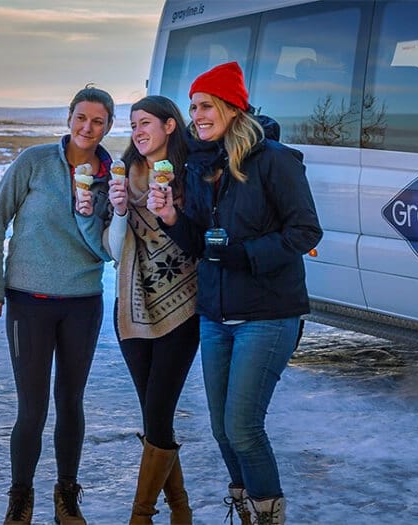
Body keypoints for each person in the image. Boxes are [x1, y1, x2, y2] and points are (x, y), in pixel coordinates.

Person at [146, 62, 323, 525]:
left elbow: (305, 231)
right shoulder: (202, 167)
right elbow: (200, 245)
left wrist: (243, 255)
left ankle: (267, 515)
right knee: (223, 431)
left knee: (243, 427)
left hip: (268, 314)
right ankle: (246, 509)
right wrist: (170, 218)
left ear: (231, 107)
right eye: (192, 108)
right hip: (215, 315)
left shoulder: (275, 161)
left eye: (205, 106)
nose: (196, 116)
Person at [0, 85, 115, 525]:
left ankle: (66, 496)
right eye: (81, 117)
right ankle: (20, 499)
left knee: (71, 401)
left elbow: (111, 245)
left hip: (82, 303)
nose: (87, 127)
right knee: (32, 407)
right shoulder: (35, 162)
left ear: (108, 126)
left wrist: (98, 209)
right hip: (28, 302)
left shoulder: (110, 179)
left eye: (97, 121)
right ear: (69, 118)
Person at [104, 95, 199, 525]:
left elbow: (197, 239)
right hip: (132, 306)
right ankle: (180, 509)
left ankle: (141, 515)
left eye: (145, 123)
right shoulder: (125, 175)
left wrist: (171, 212)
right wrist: (120, 210)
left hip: (183, 305)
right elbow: (111, 248)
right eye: (132, 124)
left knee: (158, 410)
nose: (138, 130)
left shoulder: (192, 174)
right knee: (153, 414)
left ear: (170, 126)